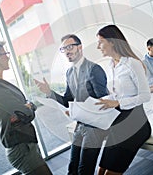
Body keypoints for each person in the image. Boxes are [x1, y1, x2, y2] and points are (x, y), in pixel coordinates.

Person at [0, 38, 52, 175]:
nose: (8, 58)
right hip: (22, 149)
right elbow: (26, 114)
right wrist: (29, 107)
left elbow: (22, 112)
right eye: (5, 54)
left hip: (26, 145)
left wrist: (27, 107)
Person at [34, 34, 109, 175]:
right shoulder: (69, 73)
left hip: (95, 126)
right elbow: (68, 100)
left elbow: (103, 101)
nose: (67, 51)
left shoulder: (94, 69)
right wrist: (49, 92)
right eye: (63, 49)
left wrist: (79, 109)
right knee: (72, 168)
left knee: (84, 170)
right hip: (80, 124)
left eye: (70, 47)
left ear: (80, 47)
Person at [95, 25, 152, 175]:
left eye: (100, 42)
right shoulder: (112, 65)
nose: (97, 46)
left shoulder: (132, 64)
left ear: (112, 42)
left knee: (110, 173)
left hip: (137, 124)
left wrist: (118, 103)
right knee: (101, 169)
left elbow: (145, 95)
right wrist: (99, 101)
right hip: (119, 122)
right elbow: (117, 95)